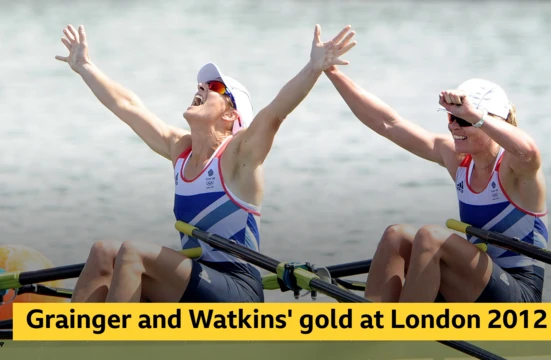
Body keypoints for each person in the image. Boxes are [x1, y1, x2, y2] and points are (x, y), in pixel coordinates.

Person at [55, 23, 357, 303]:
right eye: (201, 84)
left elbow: (275, 114)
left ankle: (111, 345)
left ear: (231, 116)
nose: (202, 88)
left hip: (238, 289)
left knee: (133, 252)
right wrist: (84, 66)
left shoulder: (239, 157)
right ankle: (66, 344)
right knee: (103, 252)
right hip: (195, 280)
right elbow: (128, 106)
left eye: (215, 87)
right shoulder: (180, 150)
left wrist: (314, 68)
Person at [323, 66, 548, 303]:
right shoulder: (459, 161)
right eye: (451, 117)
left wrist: (475, 115)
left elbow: (529, 151)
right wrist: (331, 71)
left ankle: (405, 331)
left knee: (432, 236)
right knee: (396, 236)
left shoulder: (514, 167)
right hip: (473, 282)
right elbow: (388, 123)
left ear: (493, 121)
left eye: (463, 119)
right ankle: (372, 326)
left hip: (521, 294)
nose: (453, 126)